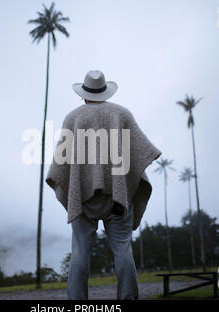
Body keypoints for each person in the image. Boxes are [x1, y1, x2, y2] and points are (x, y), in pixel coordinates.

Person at [46, 70, 162, 300]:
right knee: (123, 250)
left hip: (82, 196)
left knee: (79, 253)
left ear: (83, 94)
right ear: (105, 91)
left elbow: (61, 164)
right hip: (117, 196)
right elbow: (138, 152)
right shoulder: (121, 114)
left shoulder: (73, 118)